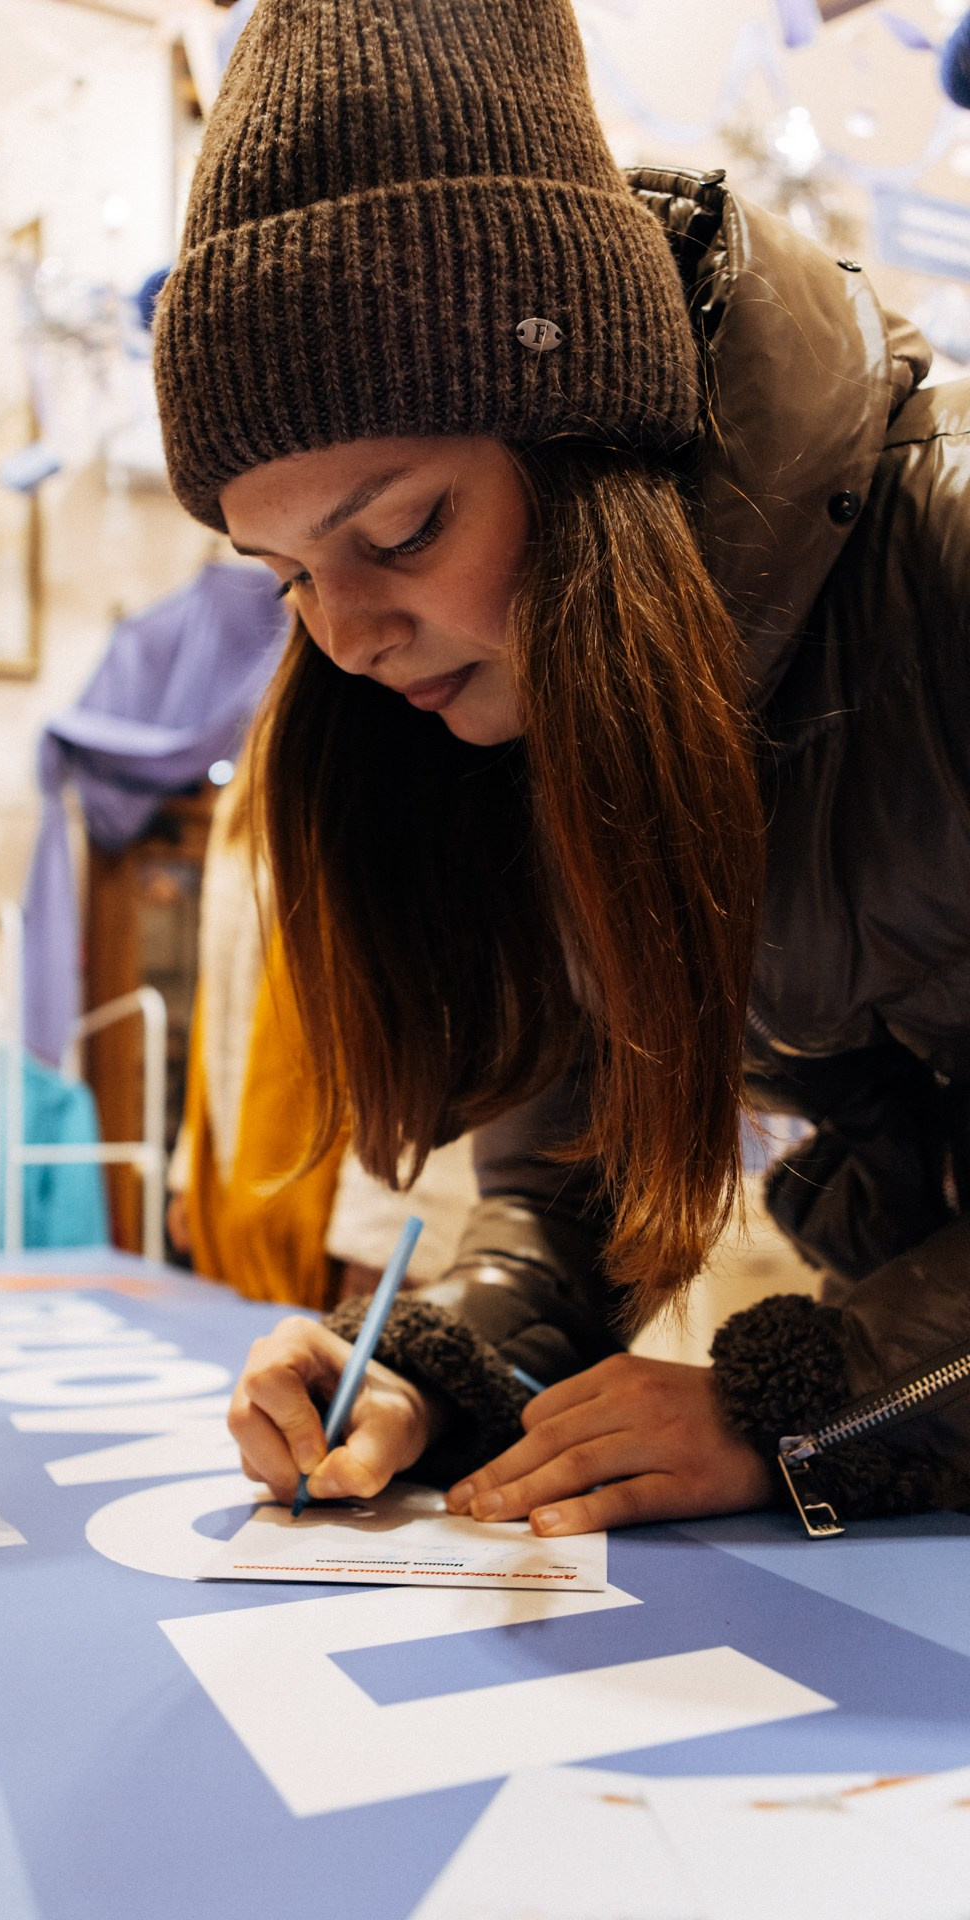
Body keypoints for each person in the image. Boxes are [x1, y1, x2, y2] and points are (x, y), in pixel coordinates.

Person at [152, 0, 970, 1537]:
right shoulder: (509, 707)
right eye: (283, 575)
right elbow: (572, 1170)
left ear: (596, 445)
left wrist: (817, 1398)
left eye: (399, 534)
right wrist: (428, 1374)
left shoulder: (952, 564)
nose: (344, 636)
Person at [166, 759, 478, 1308]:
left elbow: (429, 1002)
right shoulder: (262, 760)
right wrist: (192, 1168)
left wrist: (390, 1226)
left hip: (344, 1217)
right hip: (246, 1198)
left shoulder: (389, 734)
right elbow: (222, 989)